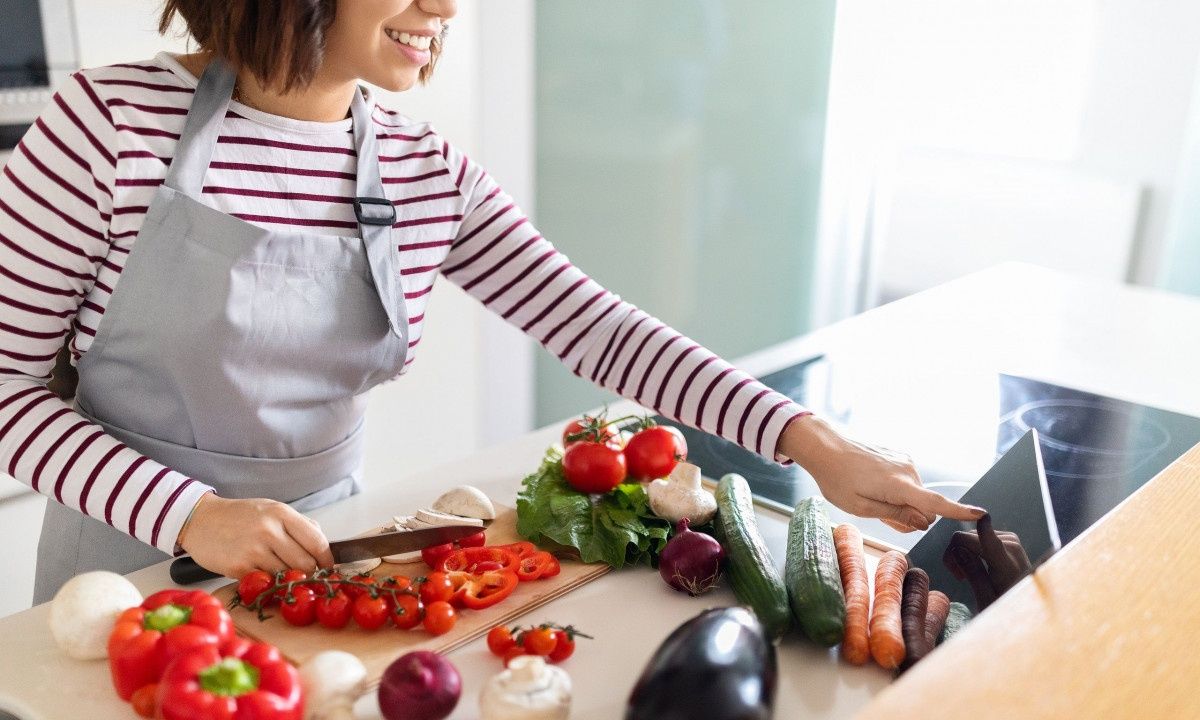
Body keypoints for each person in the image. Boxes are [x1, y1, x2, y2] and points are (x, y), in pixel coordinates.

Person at [0, 0, 982, 604]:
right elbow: (8, 401)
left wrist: (812, 443)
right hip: (125, 579)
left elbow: (601, 329)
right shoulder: (107, 127)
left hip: (332, 566)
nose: (447, 6)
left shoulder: (425, 176)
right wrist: (191, 515)